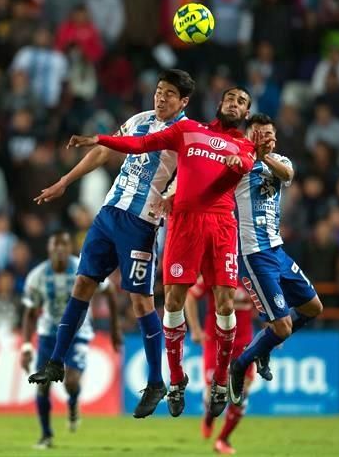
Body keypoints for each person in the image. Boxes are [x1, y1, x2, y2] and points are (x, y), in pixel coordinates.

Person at [54, 87, 271, 418]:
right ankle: (176, 380)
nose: (235, 104)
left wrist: (235, 163)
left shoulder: (244, 146)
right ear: (221, 103)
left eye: (242, 102)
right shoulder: (189, 130)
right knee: (171, 302)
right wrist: (100, 139)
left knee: (225, 303)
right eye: (231, 98)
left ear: (245, 113)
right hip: (184, 223)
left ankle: (220, 380)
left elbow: (242, 164)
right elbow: (141, 145)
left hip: (221, 226)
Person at [27, 69, 195, 419]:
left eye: (169, 94)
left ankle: (154, 382)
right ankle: (56, 361)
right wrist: (65, 181)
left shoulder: (188, 134)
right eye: (159, 91)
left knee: (140, 301)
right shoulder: (140, 120)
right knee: (83, 282)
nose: (161, 98)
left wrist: (173, 194)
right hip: (108, 213)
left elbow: (194, 177)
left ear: (184, 102)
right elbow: (104, 152)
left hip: (141, 222)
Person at [228, 113, 324, 406]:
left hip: (277, 251)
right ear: (249, 136)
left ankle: (264, 347)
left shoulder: (280, 161)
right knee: (282, 327)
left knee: (312, 307)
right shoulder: (238, 164)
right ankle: (240, 365)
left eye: (270, 134)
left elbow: (287, 175)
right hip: (254, 256)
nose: (267, 139)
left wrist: (265, 156)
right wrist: (248, 154)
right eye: (260, 134)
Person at [20, 231, 120, 449]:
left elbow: (110, 291)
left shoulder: (83, 268)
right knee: (43, 385)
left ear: (70, 248)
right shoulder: (37, 276)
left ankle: (73, 404)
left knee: (71, 382)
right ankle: (46, 435)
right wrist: (26, 345)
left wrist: (114, 329)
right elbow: (29, 312)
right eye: (56, 245)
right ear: (49, 249)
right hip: (48, 334)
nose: (60, 250)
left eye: (64, 245)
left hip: (78, 332)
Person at [185, 276, 255, 455]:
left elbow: (266, 303)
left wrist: (274, 327)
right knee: (215, 394)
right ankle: (209, 418)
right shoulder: (216, 270)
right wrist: (195, 329)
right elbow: (191, 296)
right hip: (216, 340)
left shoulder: (254, 271)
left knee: (242, 394)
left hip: (244, 343)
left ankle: (223, 439)